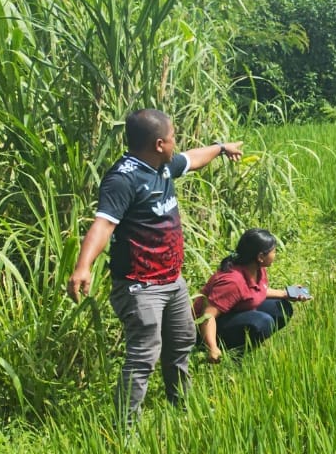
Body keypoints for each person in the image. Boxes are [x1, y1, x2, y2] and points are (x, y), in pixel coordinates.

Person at [65, 109, 243, 425]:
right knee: (143, 357)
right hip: (140, 285)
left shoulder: (161, 166)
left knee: (182, 343)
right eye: (173, 137)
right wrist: (83, 266)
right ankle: (126, 429)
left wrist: (220, 148)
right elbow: (103, 224)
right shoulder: (124, 179)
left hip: (172, 281)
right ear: (159, 143)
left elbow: (192, 158)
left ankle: (182, 408)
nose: (177, 143)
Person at [194, 228, 311, 363]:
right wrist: (212, 347)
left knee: (282, 308)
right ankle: (232, 355)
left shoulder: (256, 269)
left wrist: (285, 293)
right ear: (260, 257)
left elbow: (255, 291)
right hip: (204, 329)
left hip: (230, 314)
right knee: (262, 322)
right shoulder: (233, 282)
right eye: (274, 251)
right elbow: (207, 316)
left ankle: (242, 347)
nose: (275, 254)